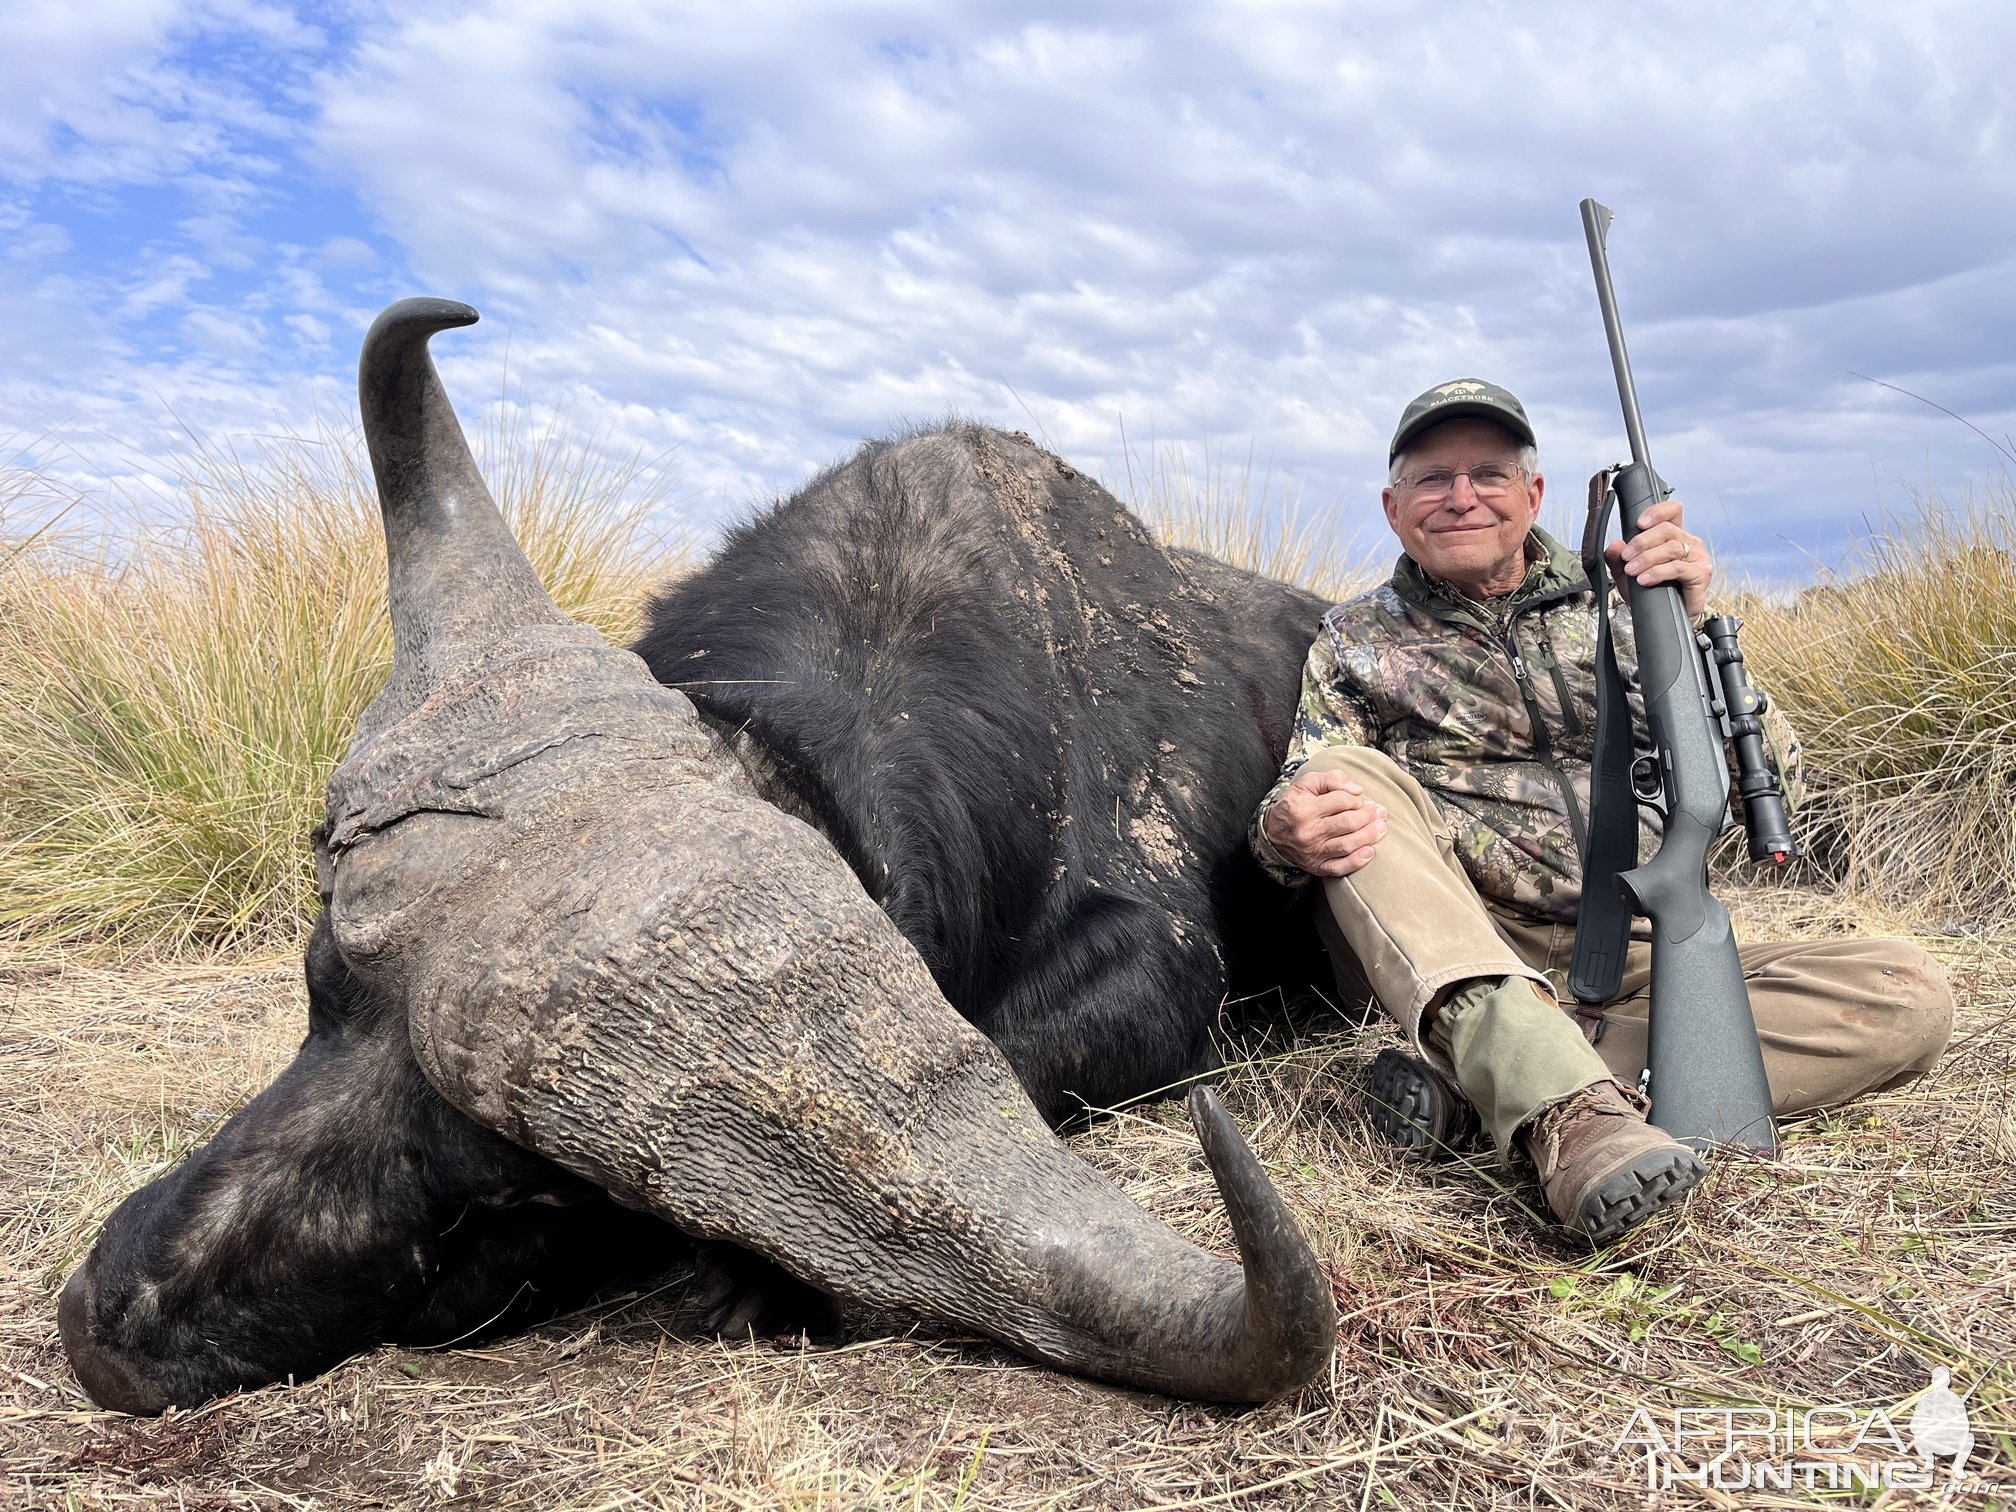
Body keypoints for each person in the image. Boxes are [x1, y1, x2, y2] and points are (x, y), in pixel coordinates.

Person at [1250, 379, 1953, 1245]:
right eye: (1433, 479)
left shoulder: (1627, 611)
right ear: (1394, 509)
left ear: (1533, 496)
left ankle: (1486, 1093)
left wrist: (1686, 633)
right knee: (1351, 780)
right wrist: (1286, 828)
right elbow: (1305, 800)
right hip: (1461, 949)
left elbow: (1776, 784)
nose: (1461, 496)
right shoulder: (1355, 638)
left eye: (1488, 473)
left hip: (1637, 946)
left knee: (1908, 991)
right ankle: (1572, 1119)